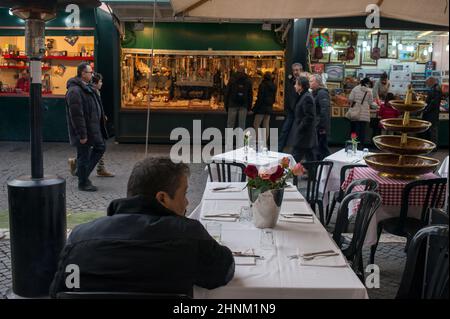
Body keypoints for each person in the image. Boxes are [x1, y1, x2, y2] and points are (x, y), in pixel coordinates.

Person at [49, 158, 235, 297]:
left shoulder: (79, 237)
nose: (187, 202)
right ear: (162, 198)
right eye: (184, 193)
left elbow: (58, 291)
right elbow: (223, 271)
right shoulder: (188, 235)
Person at [65, 63, 107, 191]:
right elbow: (77, 116)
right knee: (84, 154)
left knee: (100, 147)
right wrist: (82, 135)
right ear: (83, 73)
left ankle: (82, 174)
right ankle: (83, 182)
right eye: (90, 72)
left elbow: (92, 106)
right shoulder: (74, 91)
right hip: (85, 131)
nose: (92, 74)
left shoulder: (85, 87)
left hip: (92, 128)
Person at [68, 73, 114, 178]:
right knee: (95, 148)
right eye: (100, 81)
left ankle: (99, 168)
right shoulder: (88, 92)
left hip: (96, 124)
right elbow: (80, 112)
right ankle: (82, 172)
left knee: (97, 147)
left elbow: (97, 108)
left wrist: (102, 116)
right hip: (92, 126)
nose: (102, 83)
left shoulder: (96, 92)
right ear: (94, 83)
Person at [287, 76, 317, 163]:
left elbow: (309, 117)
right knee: (310, 157)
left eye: (296, 84)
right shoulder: (303, 96)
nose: (294, 86)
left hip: (304, 135)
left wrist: (300, 128)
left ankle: (290, 175)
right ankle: (313, 175)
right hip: (305, 135)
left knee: (295, 157)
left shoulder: (307, 97)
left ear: (301, 86)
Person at [278, 63, 303, 152]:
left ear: (301, 70)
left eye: (297, 70)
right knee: (285, 130)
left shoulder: (303, 81)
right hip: (291, 110)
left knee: (298, 132)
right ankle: (279, 149)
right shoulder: (291, 80)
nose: (295, 72)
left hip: (300, 111)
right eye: (294, 70)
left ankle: (297, 152)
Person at [348, 77, 376, 148]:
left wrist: (355, 102)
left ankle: (354, 144)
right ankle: (361, 145)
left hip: (355, 111)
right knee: (362, 131)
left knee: (354, 130)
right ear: (368, 83)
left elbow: (350, 98)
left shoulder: (355, 89)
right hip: (364, 113)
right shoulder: (369, 91)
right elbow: (370, 102)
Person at [224, 63, 253, 130]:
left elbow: (227, 93)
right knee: (242, 125)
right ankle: (240, 140)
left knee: (230, 125)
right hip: (243, 105)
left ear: (236, 70)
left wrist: (226, 106)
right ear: (244, 71)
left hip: (232, 105)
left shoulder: (232, 79)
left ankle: (229, 140)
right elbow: (250, 94)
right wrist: (249, 107)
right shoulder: (248, 80)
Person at [310, 74, 331, 160]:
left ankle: (328, 166)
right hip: (317, 126)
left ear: (317, 83)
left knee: (322, 149)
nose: (309, 83)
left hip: (320, 127)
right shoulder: (314, 93)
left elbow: (324, 111)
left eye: (311, 81)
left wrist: (322, 127)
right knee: (320, 149)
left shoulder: (322, 93)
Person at [253, 72, 277, 145]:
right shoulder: (274, 85)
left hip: (261, 108)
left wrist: (254, 108)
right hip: (269, 107)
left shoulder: (262, 85)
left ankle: (258, 141)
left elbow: (260, 98)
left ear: (263, 77)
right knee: (266, 124)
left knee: (256, 124)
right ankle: (265, 142)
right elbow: (273, 98)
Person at [420, 77, 442, 150]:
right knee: (431, 130)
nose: (427, 84)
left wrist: (426, 110)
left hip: (432, 114)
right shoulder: (435, 88)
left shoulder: (436, 89)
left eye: (427, 82)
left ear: (431, 81)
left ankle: (434, 148)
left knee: (433, 131)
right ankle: (431, 146)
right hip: (431, 113)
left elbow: (433, 103)